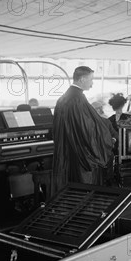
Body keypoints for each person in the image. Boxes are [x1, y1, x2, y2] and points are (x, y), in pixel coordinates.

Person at [52, 66, 115, 194]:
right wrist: (107, 138)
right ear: (82, 79)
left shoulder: (63, 99)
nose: (92, 84)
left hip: (66, 152)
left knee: (69, 189)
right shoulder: (78, 99)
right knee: (83, 190)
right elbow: (88, 128)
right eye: (91, 79)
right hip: (80, 155)